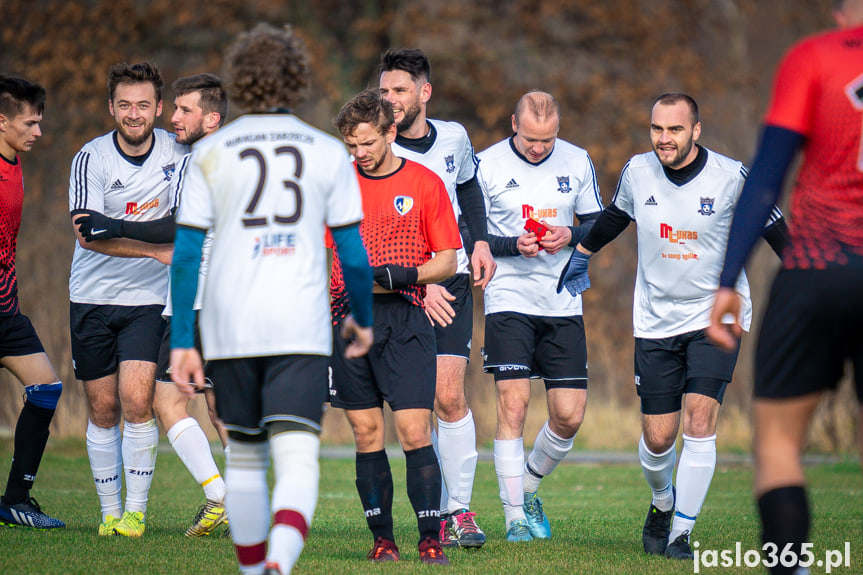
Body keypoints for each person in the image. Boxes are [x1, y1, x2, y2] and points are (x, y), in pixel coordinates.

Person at [169, 23, 374, 575]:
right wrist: (363, 316)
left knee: (245, 458)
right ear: (296, 80)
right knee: (297, 456)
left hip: (230, 324)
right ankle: (281, 561)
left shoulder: (209, 153)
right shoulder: (329, 152)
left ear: (242, 80)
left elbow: (186, 257)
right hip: (298, 324)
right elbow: (353, 257)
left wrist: (184, 342)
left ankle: (254, 569)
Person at [559, 93, 788, 560]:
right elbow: (615, 218)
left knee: (699, 421)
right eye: (657, 129)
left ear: (696, 131)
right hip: (655, 319)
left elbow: (780, 235)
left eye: (675, 130)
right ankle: (663, 502)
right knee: (658, 437)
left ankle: (681, 533)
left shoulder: (731, 177)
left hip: (715, 316)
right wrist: (582, 253)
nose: (665, 139)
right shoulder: (637, 171)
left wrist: (811, 287)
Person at [707, 2, 863, 572]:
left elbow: (766, 178)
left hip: (816, 269)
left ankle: (788, 566)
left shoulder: (813, 58)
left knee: (776, 444)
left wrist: (727, 281)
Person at [77, 73, 232, 537]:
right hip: (228, 299)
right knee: (221, 407)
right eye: (177, 108)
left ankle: (221, 497)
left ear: (211, 118)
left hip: (198, 301)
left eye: (184, 111)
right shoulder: (232, 155)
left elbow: (179, 226)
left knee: (166, 403)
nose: (174, 120)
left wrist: (112, 225)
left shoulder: (199, 157)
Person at [329, 89, 461, 565]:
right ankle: (383, 540)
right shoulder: (336, 184)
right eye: (350, 145)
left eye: (366, 142)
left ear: (389, 133)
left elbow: (447, 260)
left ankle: (431, 539)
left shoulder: (425, 183)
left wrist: (406, 275)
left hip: (405, 321)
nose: (358, 153)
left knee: (413, 432)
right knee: (366, 433)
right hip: (349, 320)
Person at [378, 47, 495, 549]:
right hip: (400, 288)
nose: (390, 100)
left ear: (424, 92)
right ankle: (422, 511)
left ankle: (459, 511)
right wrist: (414, 283)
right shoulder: (376, 148)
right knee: (412, 408)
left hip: (450, 279)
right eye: (383, 91)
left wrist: (482, 240)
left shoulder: (454, 138)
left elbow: (468, 187)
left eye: (400, 90)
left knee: (450, 395)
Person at [478, 90, 602, 542]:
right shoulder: (486, 164)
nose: (539, 148)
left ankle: (527, 488)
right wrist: (513, 245)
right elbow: (467, 231)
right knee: (513, 405)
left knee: (569, 416)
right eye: (532, 139)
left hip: (562, 299)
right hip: (508, 297)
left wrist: (569, 233)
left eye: (548, 140)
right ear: (514, 123)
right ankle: (513, 519)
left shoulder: (577, 160)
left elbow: (599, 224)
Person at [69, 61, 185, 537]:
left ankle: (135, 513)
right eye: (124, 105)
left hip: (148, 298)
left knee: (138, 402)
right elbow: (85, 234)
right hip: (90, 295)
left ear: (158, 107)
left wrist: (121, 229)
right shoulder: (90, 157)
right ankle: (108, 513)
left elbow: (181, 224)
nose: (133, 114)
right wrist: (153, 248)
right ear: (110, 108)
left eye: (143, 105)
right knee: (102, 410)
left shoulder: (179, 153)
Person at [0, 76, 65, 530]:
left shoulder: (15, 162)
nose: (38, 131)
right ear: (1, 121)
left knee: (46, 388)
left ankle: (15, 500)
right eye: (30, 122)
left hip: (6, 311)